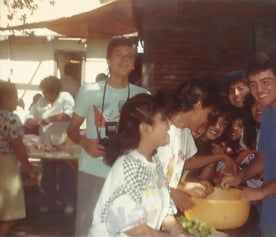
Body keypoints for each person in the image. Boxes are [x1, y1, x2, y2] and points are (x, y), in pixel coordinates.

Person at [67, 36, 150, 237]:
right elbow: (72, 129)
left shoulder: (143, 95)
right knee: (87, 224)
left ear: (134, 63)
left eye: (129, 56)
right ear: (108, 61)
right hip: (93, 169)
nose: (124, 60)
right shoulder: (89, 91)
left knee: (127, 225)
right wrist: (85, 142)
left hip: (128, 173)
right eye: (118, 55)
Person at [88, 93, 190, 237]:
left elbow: (164, 208)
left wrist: (178, 232)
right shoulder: (128, 167)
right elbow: (132, 228)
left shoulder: (154, 163)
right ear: (145, 128)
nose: (169, 124)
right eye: (164, 120)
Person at [221, 52, 276, 237]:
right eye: (253, 84)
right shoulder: (269, 112)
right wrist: (240, 176)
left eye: (265, 81)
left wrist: (261, 192)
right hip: (274, 214)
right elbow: (263, 157)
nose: (258, 90)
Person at [156, 79, 219, 213]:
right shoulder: (160, 130)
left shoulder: (185, 131)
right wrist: (174, 190)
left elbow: (183, 163)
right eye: (208, 114)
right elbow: (146, 174)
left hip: (165, 208)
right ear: (198, 106)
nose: (207, 121)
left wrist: (193, 183)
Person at [25, 76, 77, 215]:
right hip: (47, 145)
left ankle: (69, 202)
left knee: (67, 174)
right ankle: (47, 202)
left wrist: (50, 119)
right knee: (48, 174)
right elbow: (29, 116)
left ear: (55, 91)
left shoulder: (66, 98)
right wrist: (32, 121)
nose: (44, 95)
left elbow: (69, 115)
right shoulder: (41, 101)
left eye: (47, 92)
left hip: (64, 143)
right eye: (43, 92)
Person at [0, 81, 37, 235]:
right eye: (15, 96)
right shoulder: (12, 119)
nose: (17, 100)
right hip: (6, 165)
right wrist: (29, 170)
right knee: (11, 211)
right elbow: (18, 147)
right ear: (6, 98)